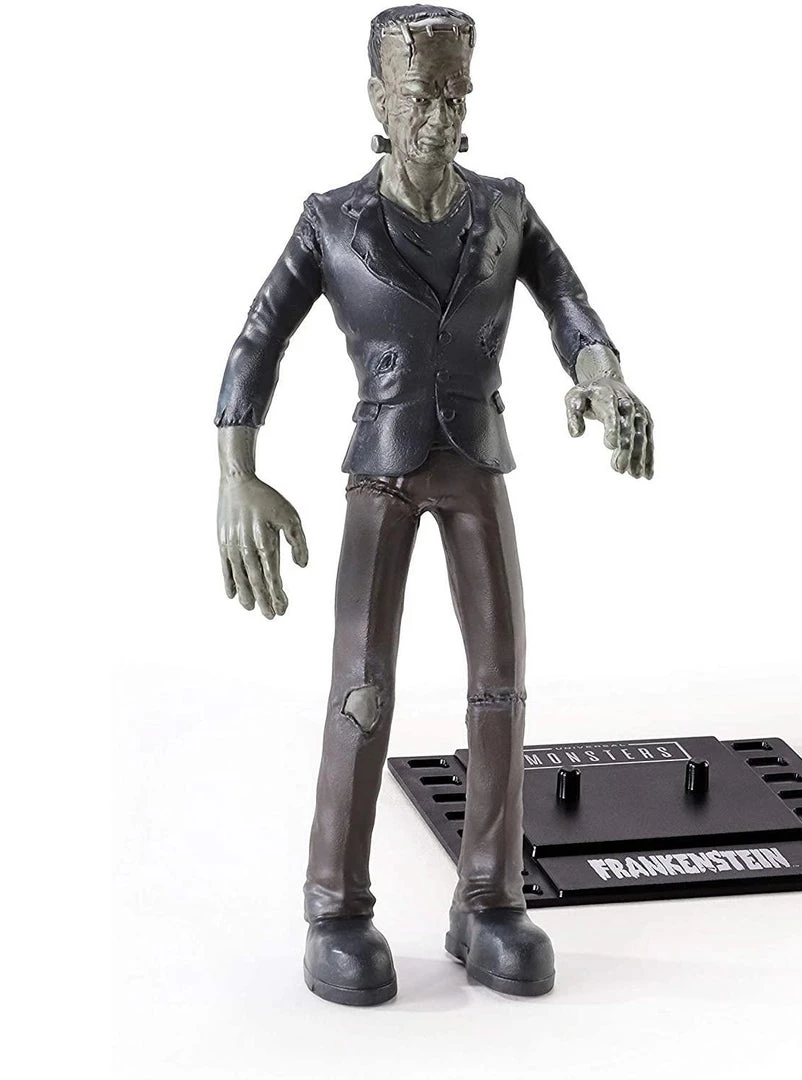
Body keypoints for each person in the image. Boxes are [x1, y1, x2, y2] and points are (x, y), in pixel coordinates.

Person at [214, 4, 654, 1005]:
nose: (437, 114)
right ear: (379, 99)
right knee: (361, 684)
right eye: (418, 95)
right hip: (380, 468)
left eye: (453, 94)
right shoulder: (332, 220)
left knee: (501, 683)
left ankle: (490, 899)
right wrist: (236, 470)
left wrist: (603, 378)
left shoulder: (504, 209)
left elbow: (570, 304)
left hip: (477, 465)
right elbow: (257, 339)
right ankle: (335, 905)